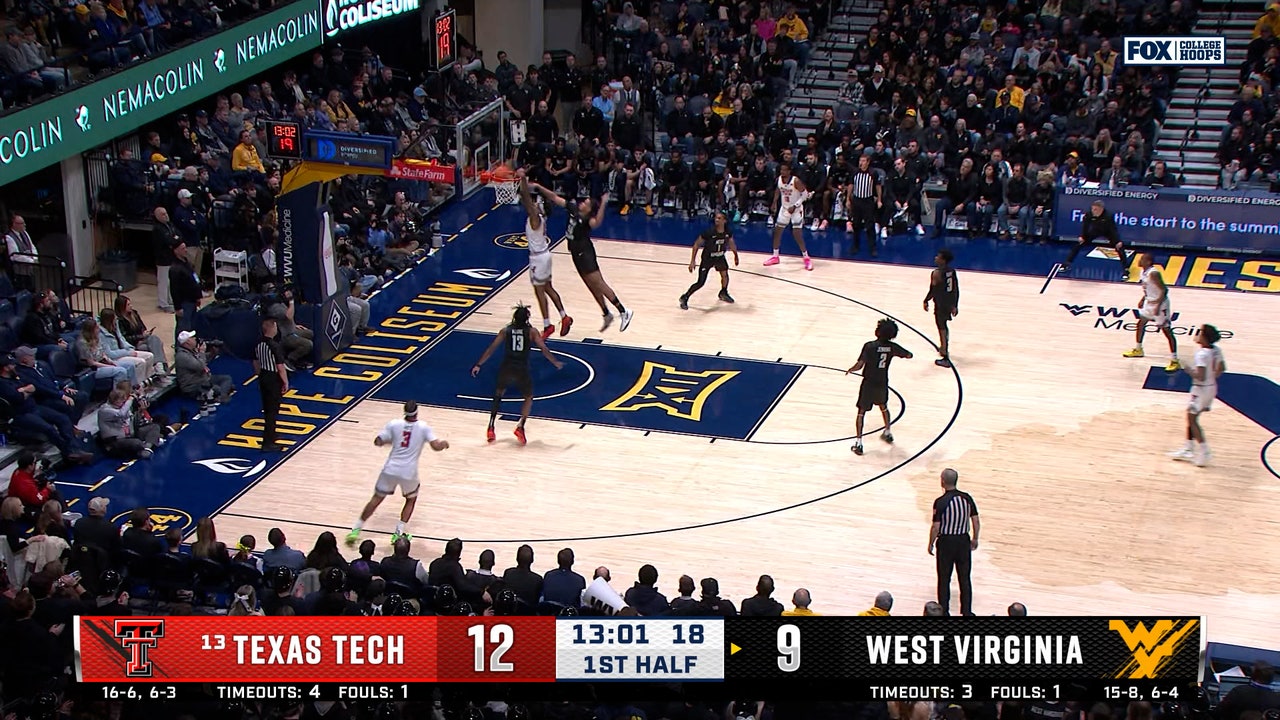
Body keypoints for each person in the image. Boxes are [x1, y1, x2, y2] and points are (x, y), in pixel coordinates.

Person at [346, 400, 449, 547]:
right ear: (417, 412)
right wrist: (444, 444)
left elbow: (378, 441)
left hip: (390, 469)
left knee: (376, 499)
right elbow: (436, 446)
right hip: (408, 472)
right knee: (411, 499)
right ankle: (398, 534)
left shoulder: (394, 424)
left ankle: (355, 530)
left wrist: (392, 441)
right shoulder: (423, 427)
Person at [532, 185, 634, 332]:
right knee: (591, 286)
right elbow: (554, 197)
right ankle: (606, 313)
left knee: (599, 284)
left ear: (589, 210)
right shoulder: (573, 208)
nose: (583, 203)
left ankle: (624, 311)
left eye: (586, 203)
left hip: (585, 253)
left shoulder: (588, 220)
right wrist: (539, 188)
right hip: (575, 253)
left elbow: (597, 222)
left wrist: (603, 204)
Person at [471, 304, 564, 445]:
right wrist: (555, 362)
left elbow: (491, 349)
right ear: (527, 318)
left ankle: (491, 426)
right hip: (522, 368)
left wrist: (478, 364)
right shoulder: (532, 332)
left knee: (498, 394)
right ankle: (520, 426)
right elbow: (543, 348)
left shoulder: (505, 331)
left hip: (507, 366)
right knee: (528, 397)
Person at [846, 319, 913, 455]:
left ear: (878, 331)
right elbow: (909, 355)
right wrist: (901, 354)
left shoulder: (869, 346)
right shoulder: (892, 347)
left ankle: (859, 443)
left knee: (861, 412)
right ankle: (887, 432)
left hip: (868, 383)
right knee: (884, 407)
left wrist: (851, 369)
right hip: (882, 382)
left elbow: (860, 365)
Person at [518, 173, 573, 339]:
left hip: (538, 259)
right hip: (545, 256)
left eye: (537, 203)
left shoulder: (535, 218)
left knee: (540, 292)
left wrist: (523, 180)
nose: (534, 204)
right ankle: (564, 316)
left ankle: (547, 325)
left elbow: (526, 199)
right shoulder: (540, 218)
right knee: (548, 288)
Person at [1171, 324, 1225, 468]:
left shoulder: (1201, 354)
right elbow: (1222, 368)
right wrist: (1212, 377)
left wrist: (1187, 369)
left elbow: (1200, 376)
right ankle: (1188, 448)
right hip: (1211, 387)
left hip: (1201, 389)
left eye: (1200, 332)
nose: (1197, 334)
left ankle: (1204, 451)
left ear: (1205, 338)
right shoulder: (1216, 350)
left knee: (1192, 419)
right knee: (1191, 417)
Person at [928, 468, 979, 616]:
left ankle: (944, 612)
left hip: (946, 542)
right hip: (963, 541)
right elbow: (975, 520)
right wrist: (975, 538)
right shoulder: (967, 498)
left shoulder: (940, 502)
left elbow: (936, 527)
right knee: (965, 578)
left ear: (942, 481)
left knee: (944, 579)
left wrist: (931, 543)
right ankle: (967, 611)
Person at [1122, 254, 1180, 372]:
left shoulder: (1154, 273)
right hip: (1149, 302)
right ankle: (1138, 349)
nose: (1139, 260)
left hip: (1160, 304)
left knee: (1167, 331)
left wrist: (1158, 305)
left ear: (1148, 262)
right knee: (1141, 323)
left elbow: (1164, 290)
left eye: (1142, 259)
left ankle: (1175, 360)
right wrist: (1143, 299)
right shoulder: (1143, 272)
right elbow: (1148, 288)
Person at [680, 211, 740, 310]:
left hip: (720, 257)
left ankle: (723, 292)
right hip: (708, 259)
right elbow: (696, 245)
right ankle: (685, 297)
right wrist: (692, 261)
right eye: (716, 218)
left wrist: (736, 255)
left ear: (724, 221)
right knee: (701, 282)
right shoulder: (709, 232)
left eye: (719, 218)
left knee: (724, 275)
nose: (716, 220)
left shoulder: (727, 232)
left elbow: (731, 243)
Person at [1061, 199, 1131, 278]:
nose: (1093, 211)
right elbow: (1085, 226)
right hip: (1096, 230)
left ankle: (1126, 270)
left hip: (1108, 232)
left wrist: (1118, 241)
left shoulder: (1108, 216)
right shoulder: (1088, 214)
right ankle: (1066, 264)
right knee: (1079, 244)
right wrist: (1082, 236)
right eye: (1092, 209)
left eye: (1095, 209)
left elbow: (1113, 229)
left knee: (1119, 247)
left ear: (1101, 209)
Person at [764, 162, 813, 270]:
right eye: (781, 170)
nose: (782, 172)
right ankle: (775, 256)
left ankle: (806, 257)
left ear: (789, 171)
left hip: (796, 209)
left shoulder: (795, 181)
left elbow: (805, 194)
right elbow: (778, 190)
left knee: (797, 234)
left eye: (785, 170)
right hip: (785, 208)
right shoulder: (779, 179)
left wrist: (795, 205)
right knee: (777, 231)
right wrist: (774, 202)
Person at [174, 330, 234, 413]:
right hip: (193, 386)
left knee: (226, 378)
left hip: (204, 379)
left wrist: (213, 353)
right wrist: (202, 351)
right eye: (192, 338)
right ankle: (221, 395)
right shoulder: (182, 356)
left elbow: (203, 360)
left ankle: (221, 394)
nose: (195, 339)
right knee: (217, 389)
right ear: (187, 342)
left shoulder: (191, 351)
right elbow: (200, 367)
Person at [253, 316, 288, 453]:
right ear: (271, 327)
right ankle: (268, 443)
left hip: (263, 377)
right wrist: (285, 382)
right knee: (273, 411)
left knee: (268, 409)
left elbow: (255, 362)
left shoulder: (258, 343)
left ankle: (271, 434)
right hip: (273, 379)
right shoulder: (274, 345)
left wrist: (259, 375)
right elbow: (280, 367)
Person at [923, 249, 959, 368]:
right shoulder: (952, 271)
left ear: (943, 260)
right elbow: (955, 289)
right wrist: (955, 305)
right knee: (944, 326)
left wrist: (926, 300)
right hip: (949, 303)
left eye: (938, 256)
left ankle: (945, 354)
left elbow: (933, 290)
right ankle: (944, 347)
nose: (935, 258)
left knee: (941, 327)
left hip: (941, 303)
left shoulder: (936, 273)